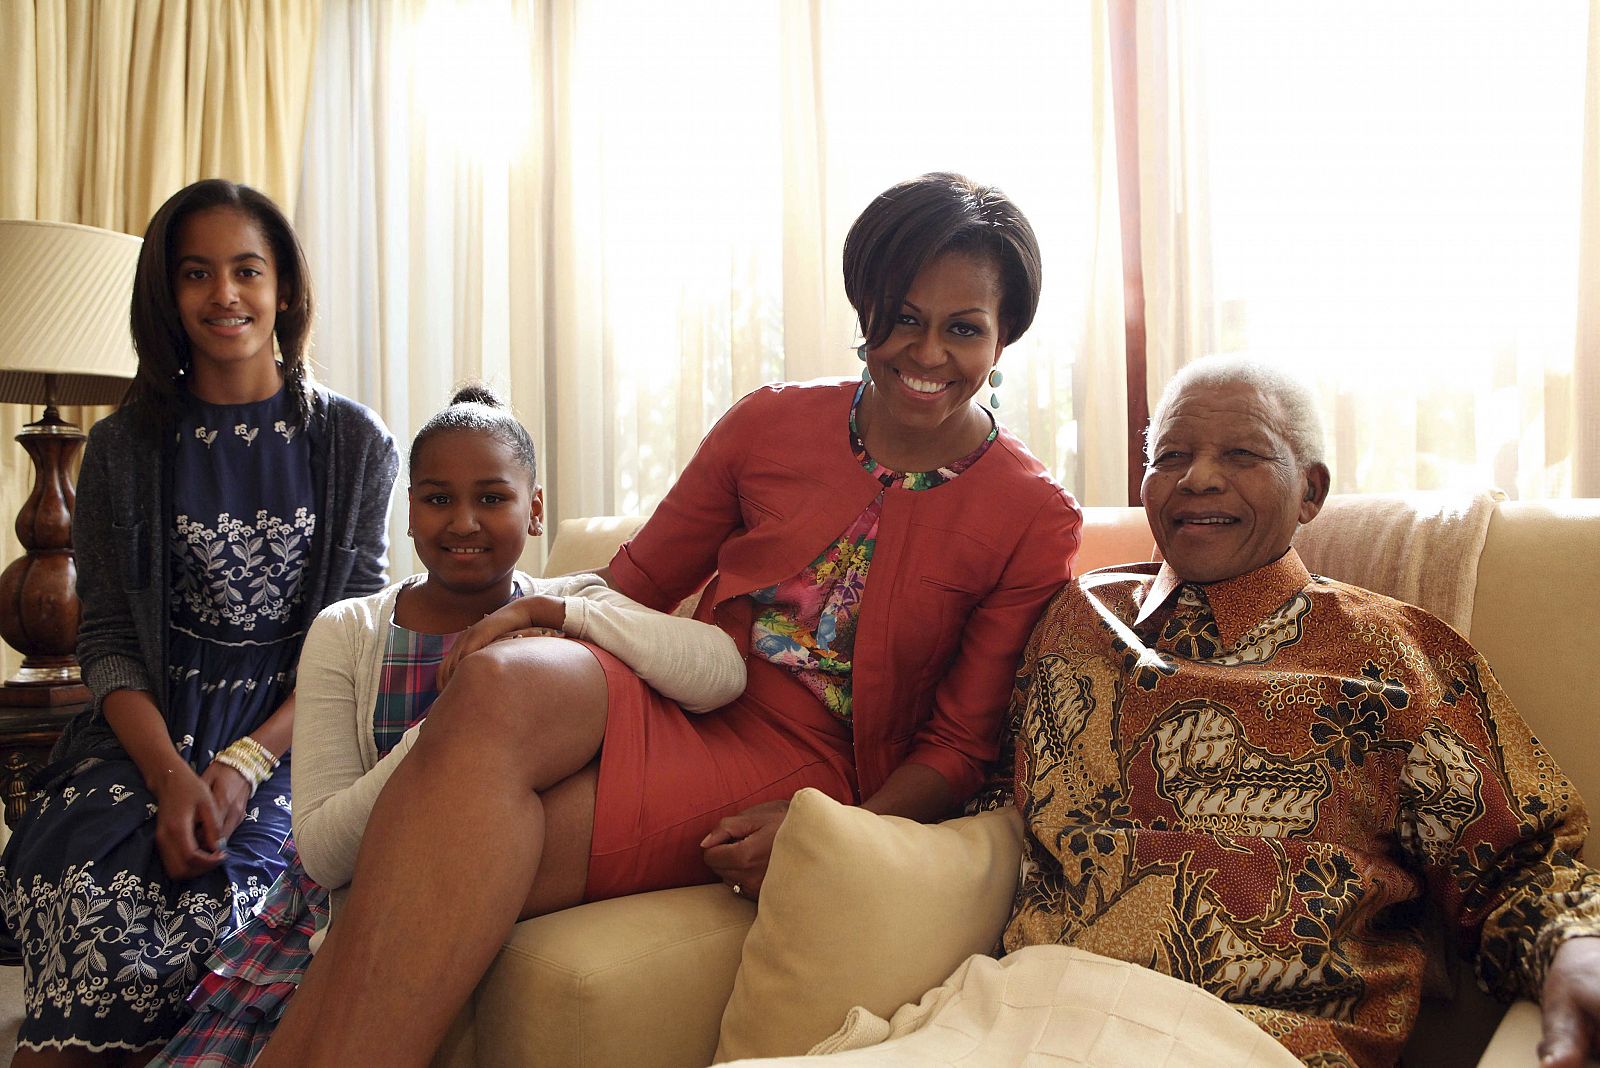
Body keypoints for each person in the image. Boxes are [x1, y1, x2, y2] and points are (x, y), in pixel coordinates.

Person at [254, 172, 1083, 1067]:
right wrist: (543, 615)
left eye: (963, 328)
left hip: (808, 759)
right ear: (865, 308)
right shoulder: (769, 423)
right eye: (903, 317)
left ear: (1004, 339)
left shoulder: (1033, 515)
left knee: (427, 873)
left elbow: (958, 747)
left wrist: (829, 839)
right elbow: (636, 584)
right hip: (690, 679)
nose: (927, 351)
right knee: (501, 679)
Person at [1003, 355, 1600, 1067]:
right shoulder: (1078, 619)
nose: (1198, 478)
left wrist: (1576, 950)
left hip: (1248, 1040)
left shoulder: (1393, 655)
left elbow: (1518, 866)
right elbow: (988, 789)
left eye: (1242, 454)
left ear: (1310, 490)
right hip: (1025, 1014)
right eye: (1172, 456)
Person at [150, 385, 746, 1066]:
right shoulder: (348, 632)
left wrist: (559, 617)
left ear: (536, 509)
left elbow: (721, 672)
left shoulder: (573, 607)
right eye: (438, 499)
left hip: (489, 888)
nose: (464, 521)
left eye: (492, 498)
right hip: (336, 912)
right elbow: (321, 851)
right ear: (409, 514)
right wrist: (454, 728)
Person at [0, 178, 399, 1066]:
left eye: (246, 271)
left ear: (283, 289)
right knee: (82, 889)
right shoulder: (120, 448)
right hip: (145, 740)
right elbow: (106, 644)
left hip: (296, 743)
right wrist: (174, 777)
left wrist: (245, 762)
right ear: (167, 296)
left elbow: (352, 641)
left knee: (233, 912)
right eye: (196, 273)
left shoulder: (353, 443)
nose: (224, 294)